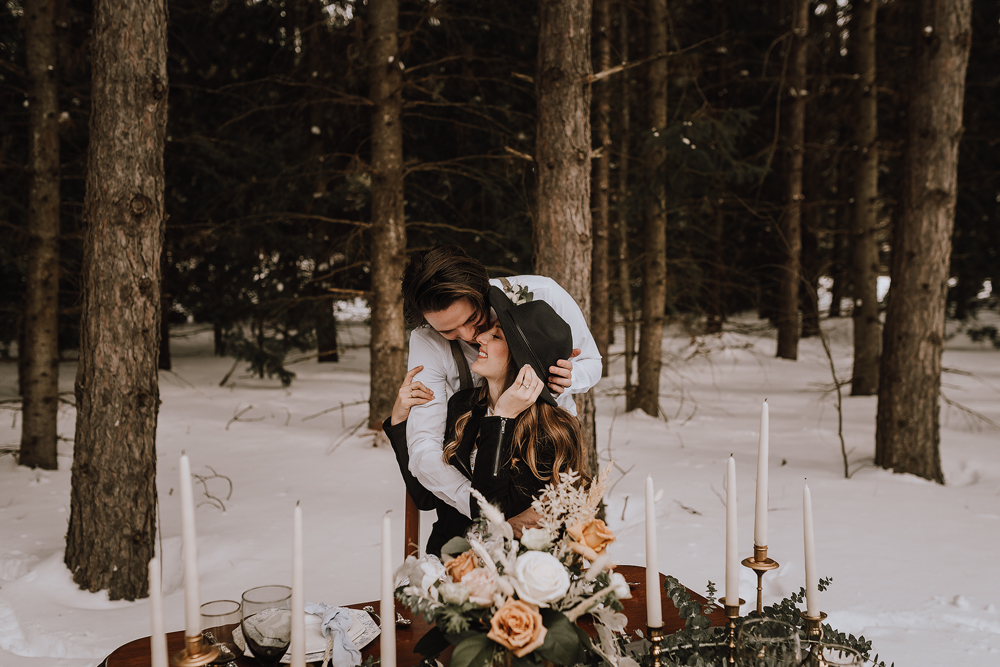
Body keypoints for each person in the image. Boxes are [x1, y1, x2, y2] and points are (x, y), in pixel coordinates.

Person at [398, 245, 601, 527]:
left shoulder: (545, 294)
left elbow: (592, 363)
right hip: (471, 490)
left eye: (472, 319)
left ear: (484, 292)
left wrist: (567, 377)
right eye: (448, 331)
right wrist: (489, 512)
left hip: (549, 461)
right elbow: (424, 448)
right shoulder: (428, 345)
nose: (470, 336)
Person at [384, 287, 587, 555]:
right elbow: (424, 498)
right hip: (449, 558)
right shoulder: (463, 406)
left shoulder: (551, 431)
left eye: (496, 336)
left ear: (521, 360)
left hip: (513, 573)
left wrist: (502, 419)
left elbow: (490, 512)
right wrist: (399, 422)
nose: (479, 338)